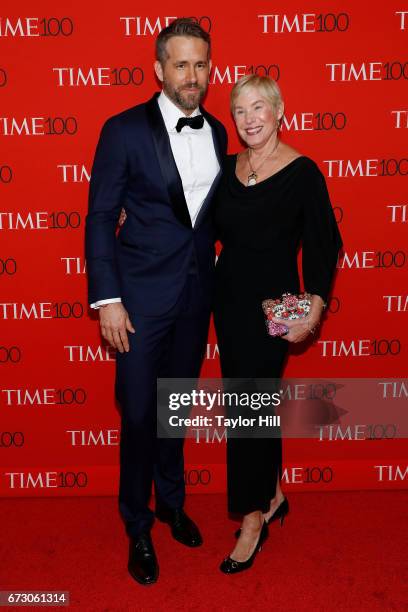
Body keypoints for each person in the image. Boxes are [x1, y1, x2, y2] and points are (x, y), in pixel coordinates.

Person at [85, 18, 227, 585]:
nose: (191, 76)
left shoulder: (217, 131)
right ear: (158, 69)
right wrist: (108, 299)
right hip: (138, 300)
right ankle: (137, 523)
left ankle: (171, 501)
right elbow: (99, 217)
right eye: (181, 65)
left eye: (201, 65)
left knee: (175, 409)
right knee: (140, 412)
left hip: (196, 296)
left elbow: (210, 218)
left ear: (209, 69)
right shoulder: (121, 130)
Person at [213, 74, 342, 574]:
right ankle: (272, 493)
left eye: (258, 107)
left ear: (279, 110)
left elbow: (325, 242)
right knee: (251, 399)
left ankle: (251, 519)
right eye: (240, 110)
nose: (249, 119)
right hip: (229, 301)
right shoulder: (228, 169)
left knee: (251, 402)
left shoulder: (303, 171)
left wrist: (313, 307)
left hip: (278, 305)